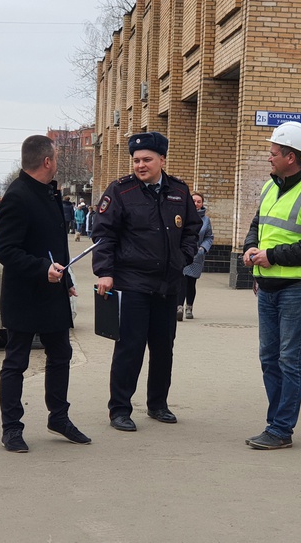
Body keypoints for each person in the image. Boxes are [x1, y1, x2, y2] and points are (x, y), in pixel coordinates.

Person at [93, 131, 201, 432]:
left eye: (147, 160)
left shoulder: (179, 191)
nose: (140, 165)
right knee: (130, 348)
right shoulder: (120, 191)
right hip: (132, 283)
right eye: (136, 160)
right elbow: (104, 235)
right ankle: (119, 409)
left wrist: (183, 257)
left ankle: (158, 404)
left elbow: (192, 229)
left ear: (162, 160)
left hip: (168, 283)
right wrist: (105, 271)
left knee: (163, 348)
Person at [242, 121, 301, 450]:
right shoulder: (270, 187)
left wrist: (272, 256)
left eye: (274, 153)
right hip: (268, 285)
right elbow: (258, 225)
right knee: (269, 358)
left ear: (292, 157)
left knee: (289, 360)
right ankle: (275, 423)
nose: (269, 158)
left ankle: (281, 429)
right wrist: (250, 249)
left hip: (299, 287)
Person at [0, 135, 89, 453]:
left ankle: (58, 418)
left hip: (53, 292)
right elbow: (5, 251)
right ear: (47, 161)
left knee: (61, 354)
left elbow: (56, 246)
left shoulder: (49, 193)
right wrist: (41, 269)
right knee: (16, 361)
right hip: (24, 294)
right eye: (56, 157)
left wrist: (67, 278)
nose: (57, 162)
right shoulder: (17, 196)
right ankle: (11, 428)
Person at [177, 191, 214, 321]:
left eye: (199, 202)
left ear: (202, 204)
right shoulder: (182, 216)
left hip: (197, 255)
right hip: (183, 253)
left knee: (191, 282)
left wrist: (203, 248)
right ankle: (179, 307)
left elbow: (209, 237)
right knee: (181, 280)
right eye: (193, 201)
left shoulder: (206, 220)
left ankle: (189, 307)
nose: (196, 204)